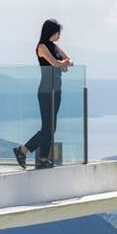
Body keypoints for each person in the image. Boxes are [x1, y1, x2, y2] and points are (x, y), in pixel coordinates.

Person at [14, 19, 73, 169]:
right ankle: (23, 150)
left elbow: (70, 61)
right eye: (57, 32)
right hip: (46, 91)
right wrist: (63, 62)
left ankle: (42, 158)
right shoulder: (42, 47)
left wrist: (64, 62)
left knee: (51, 128)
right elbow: (55, 63)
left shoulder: (55, 47)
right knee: (47, 127)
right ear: (51, 31)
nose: (59, 35)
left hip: (57, 90)